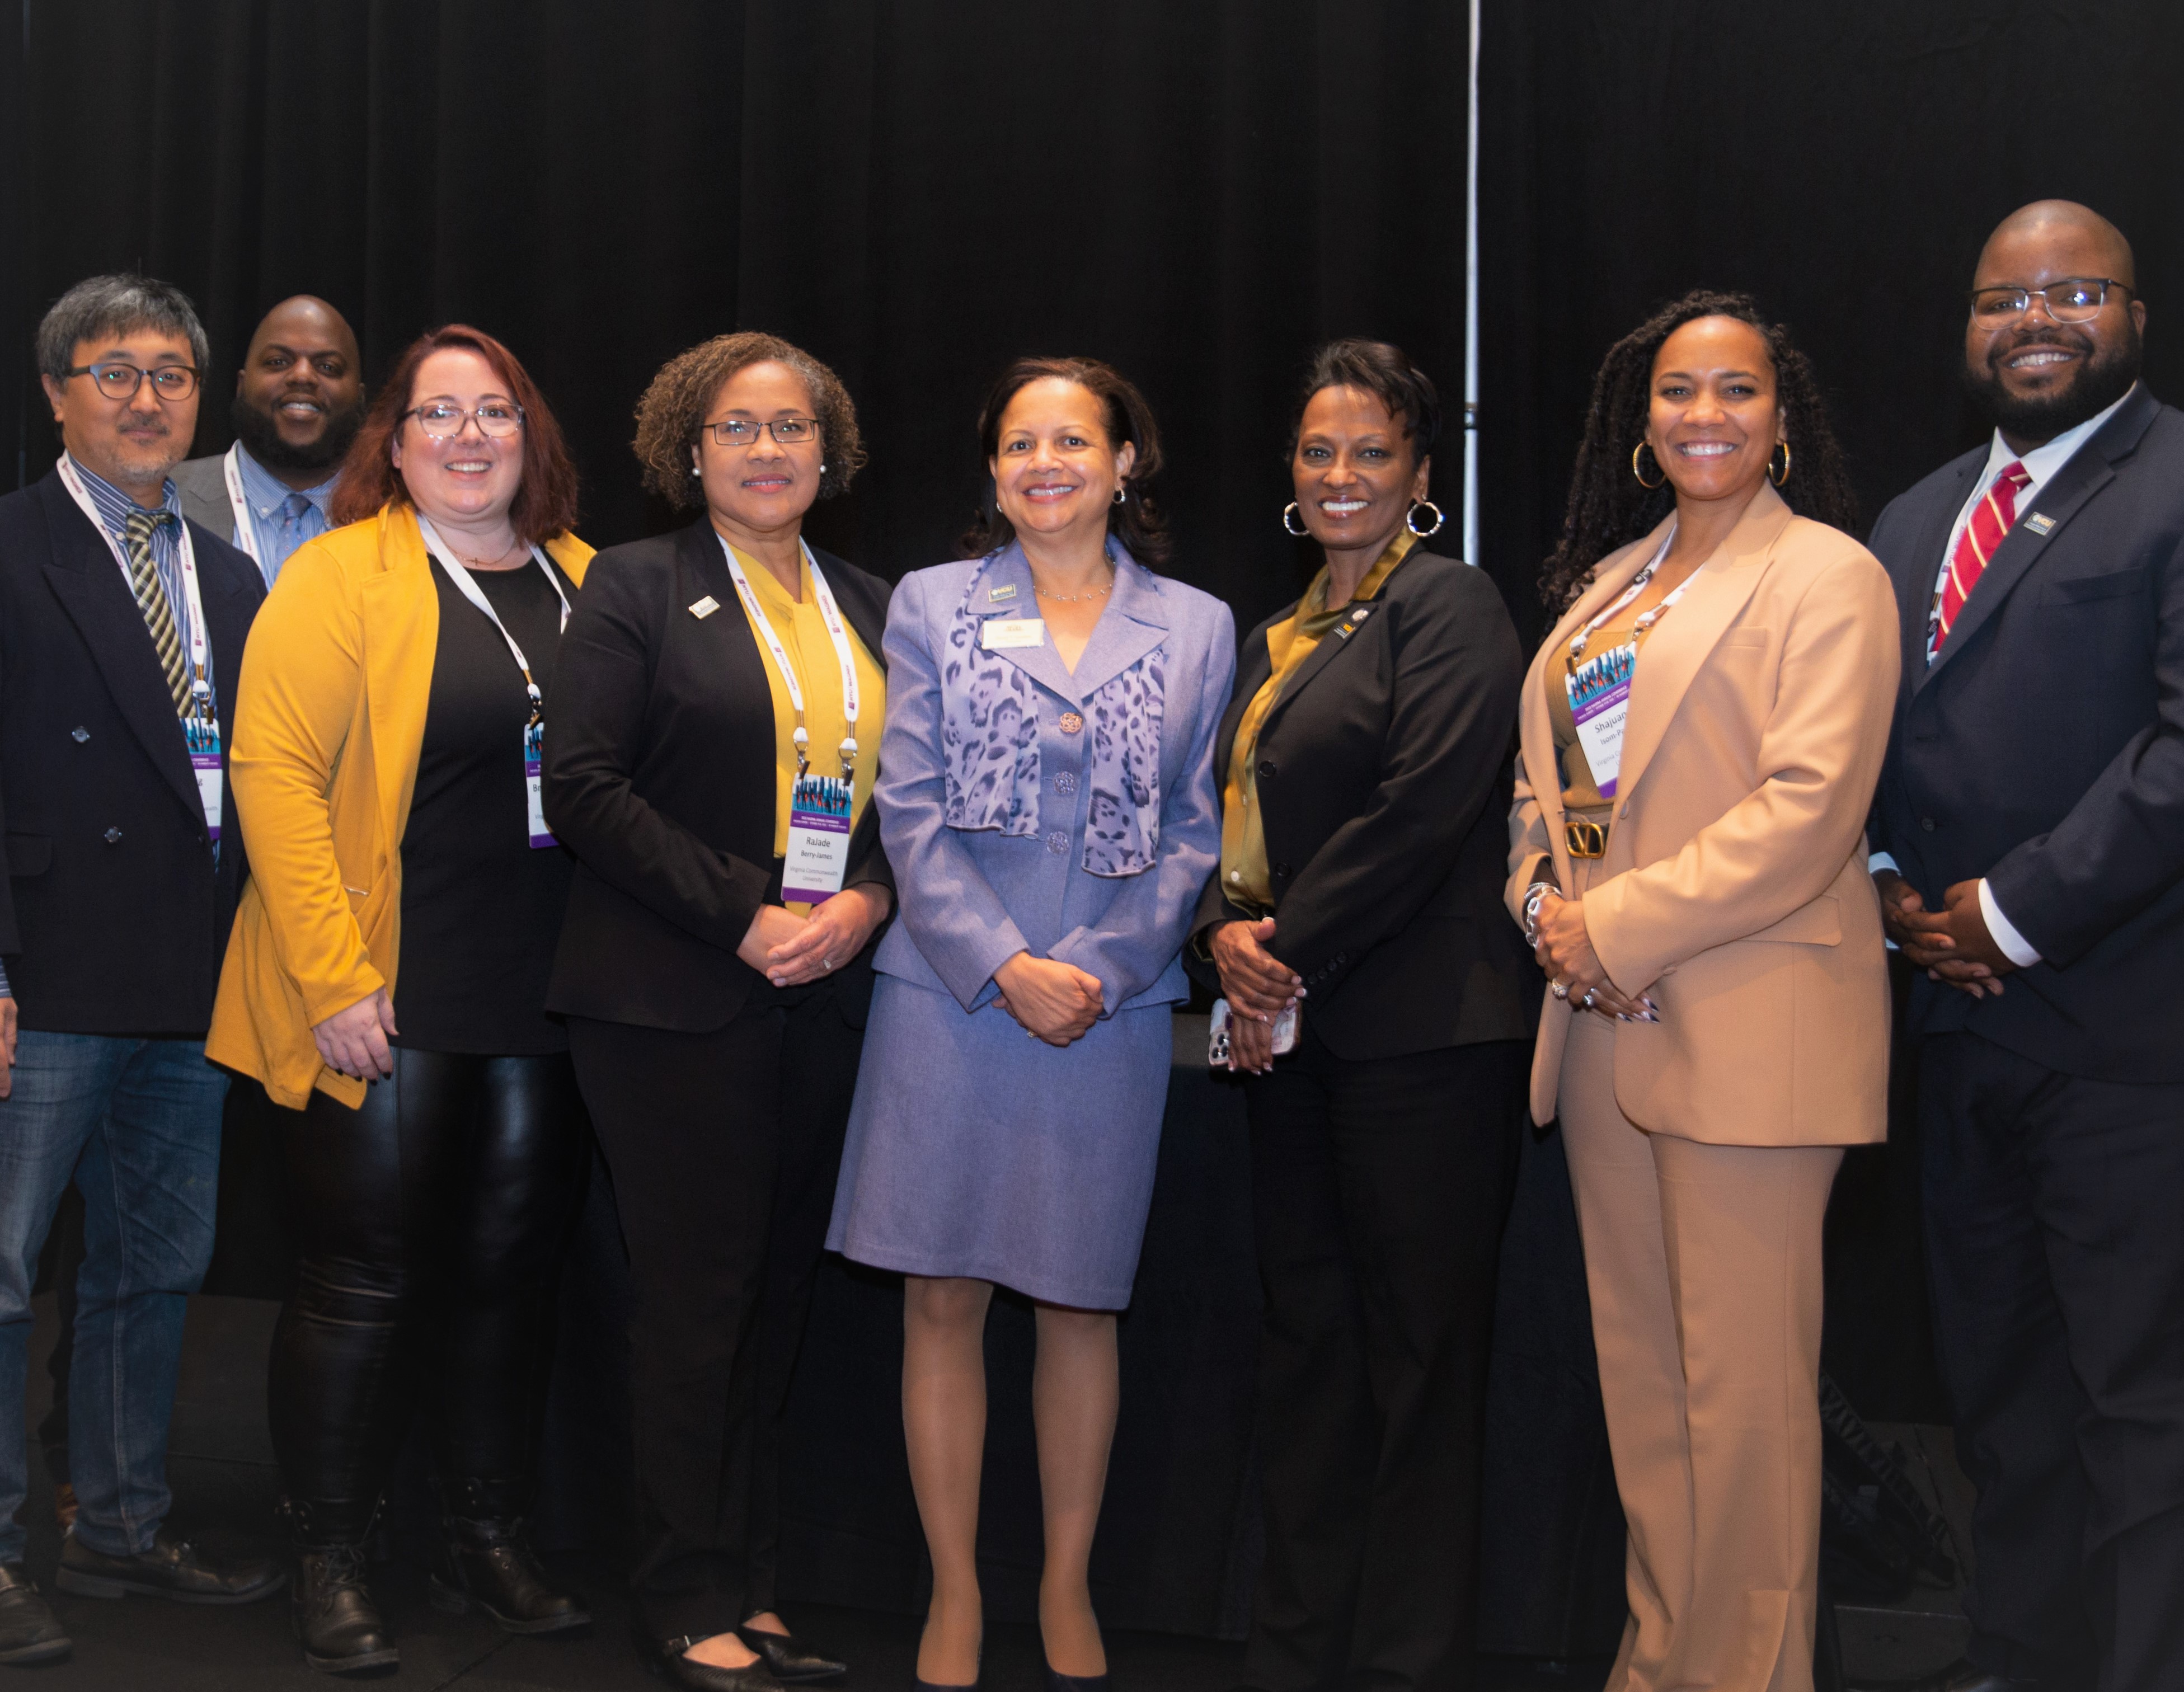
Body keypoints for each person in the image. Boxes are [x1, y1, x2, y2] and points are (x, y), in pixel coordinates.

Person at [828, 357, 1235, 1692]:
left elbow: (1193, 831)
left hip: (1106, 1013)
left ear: (1127, 462)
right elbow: (909, 807)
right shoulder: (935, 607)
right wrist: (1006, 965)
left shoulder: (1197, 624)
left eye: (1072, 440)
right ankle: (952, 1592)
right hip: (948, 997)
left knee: (1077, 1302)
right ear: (992, 472)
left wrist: (1101, 972)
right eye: (1018, 444)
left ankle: (1063, 1585)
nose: (1043, 463)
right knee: (939, 1296)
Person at [1509, 292, 1896, 1692]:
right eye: (1678, 392)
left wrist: (1607, 926)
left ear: (1780, 417)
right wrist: (1544, 909)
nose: (1703, 417)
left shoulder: (1827, 578)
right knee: (1649, 1387)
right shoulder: (1608, 584)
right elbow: (1539, 799)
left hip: (1749, 1029)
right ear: (1641, 419)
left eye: (1734, 391)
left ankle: (1744, 1673)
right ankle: (1659, 1656)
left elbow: (1807, 811)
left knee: (1742, 1405)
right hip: (1606, 1028)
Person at [206, 325, 595, 1675]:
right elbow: (273, 775)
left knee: (506, 1281)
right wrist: (330, 975)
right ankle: (331, 1547)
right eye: (438, 414)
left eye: (495, 410)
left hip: (542, 1001)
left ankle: (480, 1534)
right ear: (397, 439)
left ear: (529, 434)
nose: (468, 436)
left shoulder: (587, 580)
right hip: (381, 991)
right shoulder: (339, 575)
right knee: (357, 1286)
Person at [543, 332, 891, 1692]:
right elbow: (583, 785)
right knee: (696, 1304)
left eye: (792, 426)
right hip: (671, 999)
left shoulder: (868, 600)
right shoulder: (634, 586)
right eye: (739, 428)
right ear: (690, 450)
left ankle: (750, 1579)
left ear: (829, 449)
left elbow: (899, 806)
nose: (767, 449)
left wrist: (864, 902)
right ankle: (679, 1591)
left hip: (824, 998)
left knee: (779, 1304)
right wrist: (744, 911)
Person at [1867, 202, 2184, 1692]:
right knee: (1996, 1390)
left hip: (2122, 1035)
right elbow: (1863, 743)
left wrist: (2001, 912)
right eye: (2002, 296)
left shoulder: (2173, 477)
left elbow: (2176, 751)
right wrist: (1879, 888)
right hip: (1949, 1035)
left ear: (2128, 309)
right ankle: (2015, 1655)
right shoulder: (1912, 515)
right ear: (1967, 325)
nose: (2033, 319)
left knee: (2135, 1401)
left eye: (2070, 290)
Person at [1187, 339, 1532, 1692]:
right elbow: (1228, 835)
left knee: (1419, 1364)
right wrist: (1220, 939)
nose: (1340, 476)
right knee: (1307, 1349)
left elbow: (1422, 811)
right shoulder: (1276, 635)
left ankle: (1405, 1664)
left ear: (1418, 477)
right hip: (1292, 1046)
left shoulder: (1450, 610)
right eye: (1319, 452)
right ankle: (1292, 1652)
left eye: (1369, 453)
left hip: (1424, 1045)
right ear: (1291, 470)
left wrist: (1275, 945)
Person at [0, 275, 281, 1668]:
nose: (147, 397)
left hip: (189, 975)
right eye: (114, 372)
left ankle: (116, 1531)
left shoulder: (226, 574)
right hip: (38, 976)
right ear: (55, 393)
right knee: (1, 1276)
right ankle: (0, 1554)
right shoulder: (6, 549)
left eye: (170, 373)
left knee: (151, 1271)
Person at [173, 295, 365, 587]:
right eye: (278, 362)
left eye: (328, 367)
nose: (302, 376)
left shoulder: (401, 515)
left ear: (361, 398)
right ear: (241, 385)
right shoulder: (165, 496)